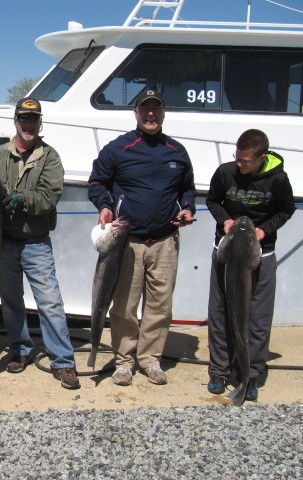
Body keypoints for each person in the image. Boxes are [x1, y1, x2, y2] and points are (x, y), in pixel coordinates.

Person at [87, 89, 196, 386]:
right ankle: (123, 361)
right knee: (123, 305)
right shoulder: (118, 148)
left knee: (160, 305)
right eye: (145, 109)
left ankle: (150, 360)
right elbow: (97, 182)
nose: (151, 114)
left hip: (165, 241)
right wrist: (106, 207)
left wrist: (187, 208)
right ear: (136, 113)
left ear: (163, 113)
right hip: (128, 243)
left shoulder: (176, 151)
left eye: (156, 109)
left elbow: (187, 188)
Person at [0, 97, 80, 390]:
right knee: (11, 303)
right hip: (2, 242)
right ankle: (20, 349)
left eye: (33, 119)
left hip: (36, 242)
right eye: (24, 119)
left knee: (49, 302)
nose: (29, 124)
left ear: (40, 123)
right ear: (15, 121)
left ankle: (63, 361)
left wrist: (22, 199)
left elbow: (50, 197)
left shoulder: (50, 156)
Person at [205, 129, 295, 401]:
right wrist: (225, 221)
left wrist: (264, 231)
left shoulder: (278, 179)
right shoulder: (225, 173)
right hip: (226, 251)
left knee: (257, 318)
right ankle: (219, 371)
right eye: (237, 158)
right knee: (220, 311)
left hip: (261, 254)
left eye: (245, 161)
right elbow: (212, 200)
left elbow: (286, 210)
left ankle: (250, 374)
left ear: (261, 158)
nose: (239, 164)